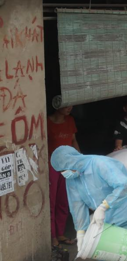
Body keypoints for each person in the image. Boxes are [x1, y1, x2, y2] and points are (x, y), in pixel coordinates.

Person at [48, 104, 79, 248]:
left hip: (67, 164)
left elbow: (73, 140)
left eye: (70, 105)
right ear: (56, 105)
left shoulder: (70, 120)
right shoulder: (47, 122)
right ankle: (52, 236)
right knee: (51, 202)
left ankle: (60, 233)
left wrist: (79, 159)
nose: (69, 107)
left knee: (64, 200)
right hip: (52, 166)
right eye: (65, 105)